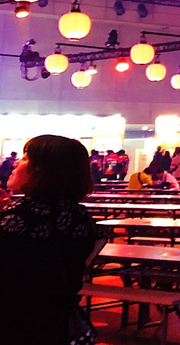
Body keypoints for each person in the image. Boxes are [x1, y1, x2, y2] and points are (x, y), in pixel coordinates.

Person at [0, 135, 101, 345]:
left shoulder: (15, 217)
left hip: (12, 320)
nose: (16, 163)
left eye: (25, 158)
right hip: (57, 318)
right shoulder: (81, 216)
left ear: (40, 170)